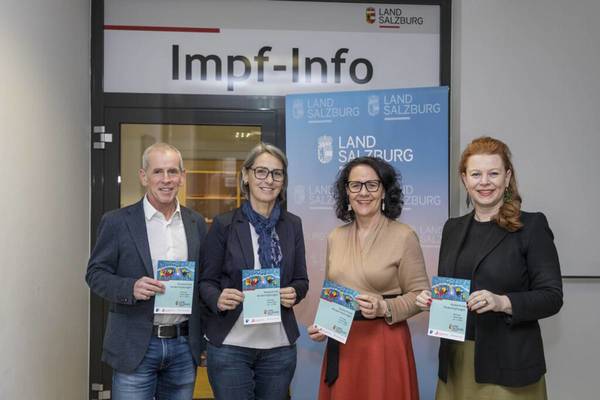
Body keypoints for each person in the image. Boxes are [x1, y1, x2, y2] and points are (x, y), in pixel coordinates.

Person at [416, 136, 563, 399]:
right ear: (464, 179)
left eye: (493, 173)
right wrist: (434, 300)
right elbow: (454, 291)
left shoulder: (532, 227)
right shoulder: (452, 228)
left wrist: (502, 302)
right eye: (476, 174)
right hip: (456, 362)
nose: (484, 182)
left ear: (507, 177)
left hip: (509, 367)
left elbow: (552, 297)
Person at [86, 142, 207, 399]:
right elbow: (95, 274)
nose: (166, 179)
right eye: (157, 172)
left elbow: (203, 281)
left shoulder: (195, 222)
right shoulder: (117, 222)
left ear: (182, 177)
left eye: (173, 171)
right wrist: (130, 287)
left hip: (183, 345)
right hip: (135, 345)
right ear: (143, 176)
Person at [307, 156, 429, 400]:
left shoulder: (404, 236)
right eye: (355, 185)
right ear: (347, 192)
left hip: (384, 344)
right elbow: (332, 293)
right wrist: (323, 326)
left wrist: (385, 307)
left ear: (384, 191)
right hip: (343, 344)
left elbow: (420, 296)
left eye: (372, 185)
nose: (363, 192)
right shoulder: (335, 237)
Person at [199, 143, 309, 400]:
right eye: (261, 171)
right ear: (246, 176)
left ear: (283, 181)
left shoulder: (292, 225)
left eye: (277, 173)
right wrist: (218, 297)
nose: (269, 180)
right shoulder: (225, 224)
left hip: (279, 349)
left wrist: (294, 292)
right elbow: (206, 282)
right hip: (231, 347)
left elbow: (301, 280)